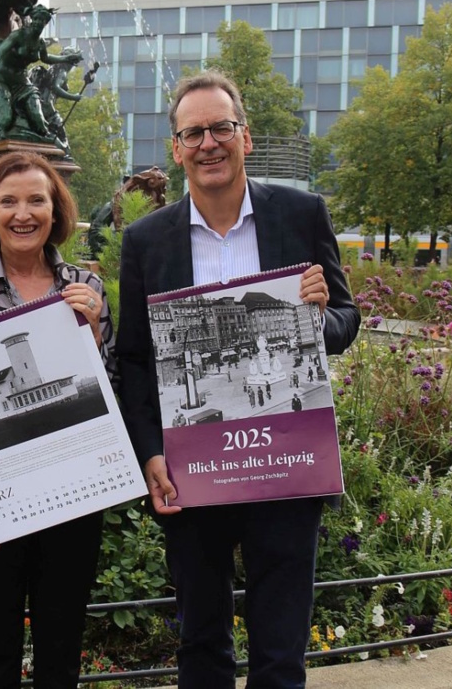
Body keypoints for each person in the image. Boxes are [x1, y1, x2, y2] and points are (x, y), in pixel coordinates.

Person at [116, 70, 359, 689]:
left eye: (220, 128)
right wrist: (148, 453)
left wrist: (316, 316)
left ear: (244, 137)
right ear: (175, 149)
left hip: (288, 461)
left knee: (281, 650)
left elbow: (345, 318)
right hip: (195, 467)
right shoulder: (146, 240)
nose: (208, 143)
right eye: (192, 132)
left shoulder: (303, 214)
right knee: (201, 641)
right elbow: (137, 360)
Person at [0, 151, 114, 688]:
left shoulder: (85, 288)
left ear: (57, 212)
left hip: (73, 495)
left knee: (61, 652)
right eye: (8, 201)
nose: (23, 213)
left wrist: (96, 334)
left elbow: (111, 390)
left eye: (38, 200)